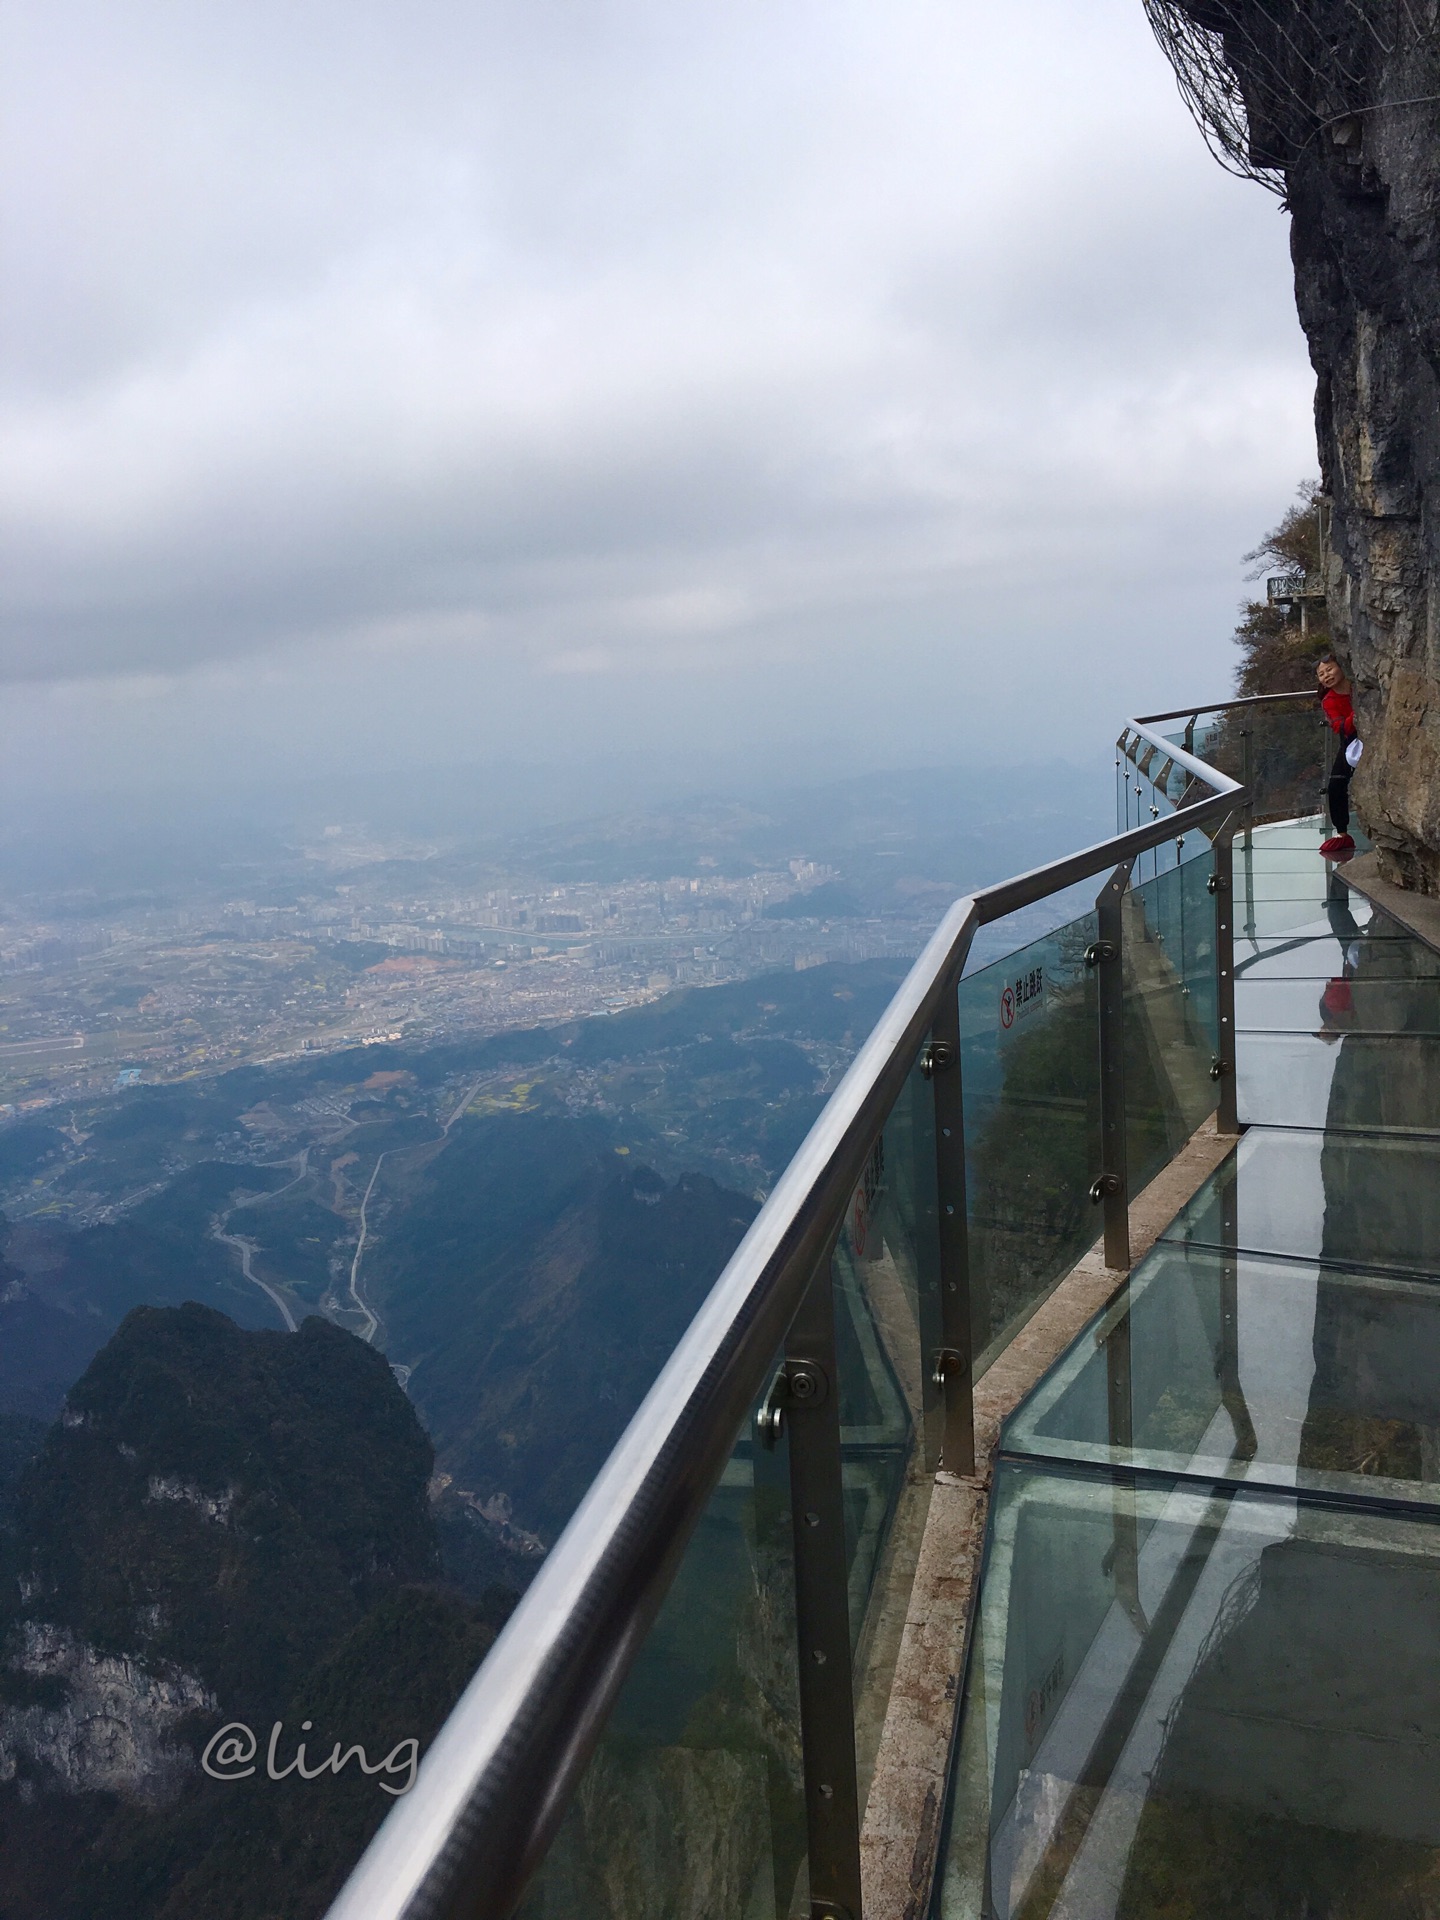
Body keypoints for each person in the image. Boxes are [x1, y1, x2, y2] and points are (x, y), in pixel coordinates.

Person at [1316, 654, 1358, 858]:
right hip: (1351, 740)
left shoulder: (1360, 686)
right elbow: (1339, 726)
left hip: (1365, 733)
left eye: (1329, 669)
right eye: (1321, 674)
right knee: (1336, 784)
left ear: (1341, 667)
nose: (1326, 676)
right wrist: (1357, 715)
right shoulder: (1329, 700)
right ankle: (1342, 833)